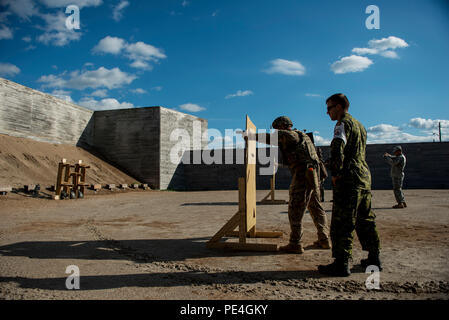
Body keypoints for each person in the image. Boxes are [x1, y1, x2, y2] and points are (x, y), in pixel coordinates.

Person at [318, 93, 381, 277]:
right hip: (363, 177)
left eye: (329, 108)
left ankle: (341, 263)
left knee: (342, 221)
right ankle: (374, 258)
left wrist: (336, 173)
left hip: (349, 178)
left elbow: (338, 148)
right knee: (366, 219)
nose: (327, 112)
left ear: (339, 107)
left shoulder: (342, 124)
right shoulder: (360, 126)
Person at [248, 116, 331, 253]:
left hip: (303, 176)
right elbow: (298, 158)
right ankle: (324, 239)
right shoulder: (302, 136)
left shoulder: (289, 134)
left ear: (281, 126)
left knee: (295, 209)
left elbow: (270, 138)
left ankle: (295, 243)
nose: (275, 131)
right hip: (313, 176)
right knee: (316, 207)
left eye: (276, 129)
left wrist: (251, 136)